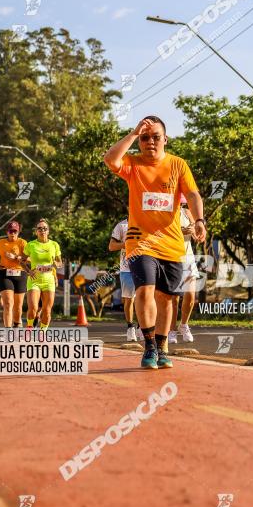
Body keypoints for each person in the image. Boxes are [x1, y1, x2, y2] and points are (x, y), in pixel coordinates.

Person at [103, 115, 206, 370]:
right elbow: (110, 160)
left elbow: (192, 194)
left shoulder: (178, 164)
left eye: (155, 137)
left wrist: (199, 219)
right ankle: (148, 346)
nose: (150, 142)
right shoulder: (133, 164)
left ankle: (162, 348)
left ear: (165, 140)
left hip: (171, 244)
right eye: (145, 137)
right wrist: (132, 134)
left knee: (167, 298)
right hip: (140, 242)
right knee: (144, 290)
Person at [168, 197, 199, 345]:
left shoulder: (187, 212)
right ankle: (171, 330)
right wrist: (180, 232)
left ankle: (184, 325)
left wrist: (195, 232)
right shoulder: (166, 213)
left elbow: (196, 234)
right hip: (172, 257)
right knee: (174, 298)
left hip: (188, 258)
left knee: (191, 295)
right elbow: (163, 233)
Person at [22, 219, 62, 331]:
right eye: (39, 228)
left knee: (47, 310)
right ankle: (29, 327)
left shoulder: (54, 245)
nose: (42, 230)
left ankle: (42, 332)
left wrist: (56, 264)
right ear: (36, 231)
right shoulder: (31, 245)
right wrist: (28, 271)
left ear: (48, 231)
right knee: (33, 308)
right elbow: (22, 261)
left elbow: (60, 262)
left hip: (49, 280)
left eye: (45, 228)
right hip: (34, 280)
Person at [109, 218, 142, 342]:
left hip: (144, 267)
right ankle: (130, 328)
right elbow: (111, 246)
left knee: (143, 298)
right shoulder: (121, 225)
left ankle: (141, 327)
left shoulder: (145, 221)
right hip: (127, 268)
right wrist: (126, 244)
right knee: (129, 300)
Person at [0, 222, 27, 328]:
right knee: (8, 303)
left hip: (20, 274)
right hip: (4, 274)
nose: (12, 233)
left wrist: (17, 257)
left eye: (15, 231)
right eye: (10, 231)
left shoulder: (23, 243)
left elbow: (29, 259)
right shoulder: (0, 243)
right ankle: (8, 330)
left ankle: (17, 323)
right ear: (7, 232)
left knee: (18, 306)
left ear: (18, 232)